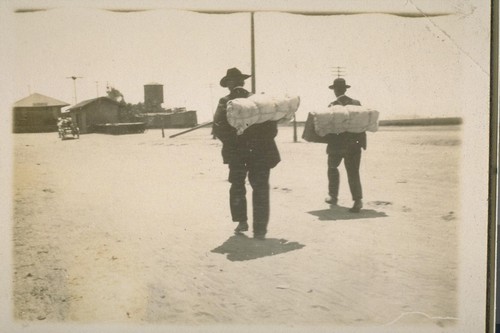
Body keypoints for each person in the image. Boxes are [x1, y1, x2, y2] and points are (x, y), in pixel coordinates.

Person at [212, 68, 280, 239]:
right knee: (261, 188)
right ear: (242, 82)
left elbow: (218, 128)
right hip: (262, 152)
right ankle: (260, 230)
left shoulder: (226, 101)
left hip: (237, 153)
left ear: (229, 84)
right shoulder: (259, 101)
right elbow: (272, 128)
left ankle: (241, 221)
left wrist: (236, 142)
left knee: (237, 185)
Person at [324, 78, 365, 213]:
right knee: (353, 172)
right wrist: (362, 143)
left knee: (332, 167)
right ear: (345, 89)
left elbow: (328, 126)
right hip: (354, 144)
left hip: (336, 145)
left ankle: (333, 196)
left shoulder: (332, 105)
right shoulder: (356, 103)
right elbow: (362, 123)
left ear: (335, 90)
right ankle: (357, 200)